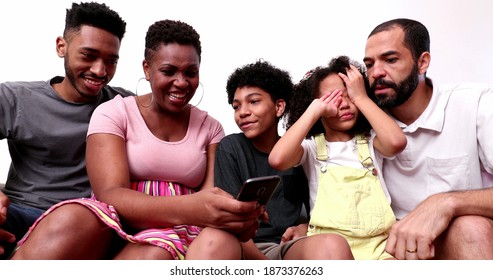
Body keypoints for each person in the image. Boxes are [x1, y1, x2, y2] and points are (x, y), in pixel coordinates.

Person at [11, 19, 265, 260]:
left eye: (191, 72)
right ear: (147, 68)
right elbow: (110, 193)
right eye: (168, 71)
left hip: (179, 230)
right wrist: (195, 207)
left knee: (157, 253)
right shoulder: (115, 111)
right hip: (115, 218)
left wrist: (236, 215)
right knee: (72, 219)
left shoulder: (211, 127)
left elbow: (211, 198)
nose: (181, 82)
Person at [0, 2, 131, 259]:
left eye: (111, 61)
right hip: (20, 213)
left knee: (86, 220)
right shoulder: (15, 98)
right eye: (88, 55)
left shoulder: (124, 106)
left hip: (88, 221)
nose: (100, 70)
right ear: (62, 46)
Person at [186, 60, 353, 260]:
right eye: (236, 106)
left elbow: (317, 210)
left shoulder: (300, 153)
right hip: (241, 247)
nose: (243, 112)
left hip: (287, 247)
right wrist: (267, 267)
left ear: (279, 107)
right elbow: (226, 222)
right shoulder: (231, 148)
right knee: (213, 238)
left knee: (331, 244)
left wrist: (305, 227)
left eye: (253, 101)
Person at [363, 18, 493, 260]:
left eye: (390, 60)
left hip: (469, 245)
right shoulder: (363, 124)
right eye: (369, 64)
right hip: (395, 252)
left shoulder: (475, 103)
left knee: (469, 229)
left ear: (422, 62)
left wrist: (446, 202)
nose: (376, 72)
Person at [268, 56, 407, 260]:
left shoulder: (371, 142)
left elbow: (396, 142)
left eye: (348, 95)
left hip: (379, 247)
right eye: (333, 98)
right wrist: (314, 110)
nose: (343, 104)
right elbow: (277, 159)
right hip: (328, 247)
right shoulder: (312, 148)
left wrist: (361, 97)